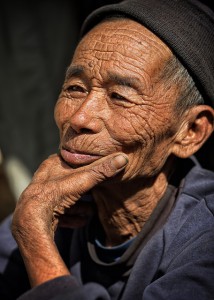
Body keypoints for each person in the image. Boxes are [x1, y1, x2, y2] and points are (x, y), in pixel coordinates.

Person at [0, 0, 214, 299]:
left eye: (119, 96)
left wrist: (34, 241)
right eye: (75, 88)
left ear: (190, 132)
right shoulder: (53, 206)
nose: (79, 118)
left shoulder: (204, 239)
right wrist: (31, 223)